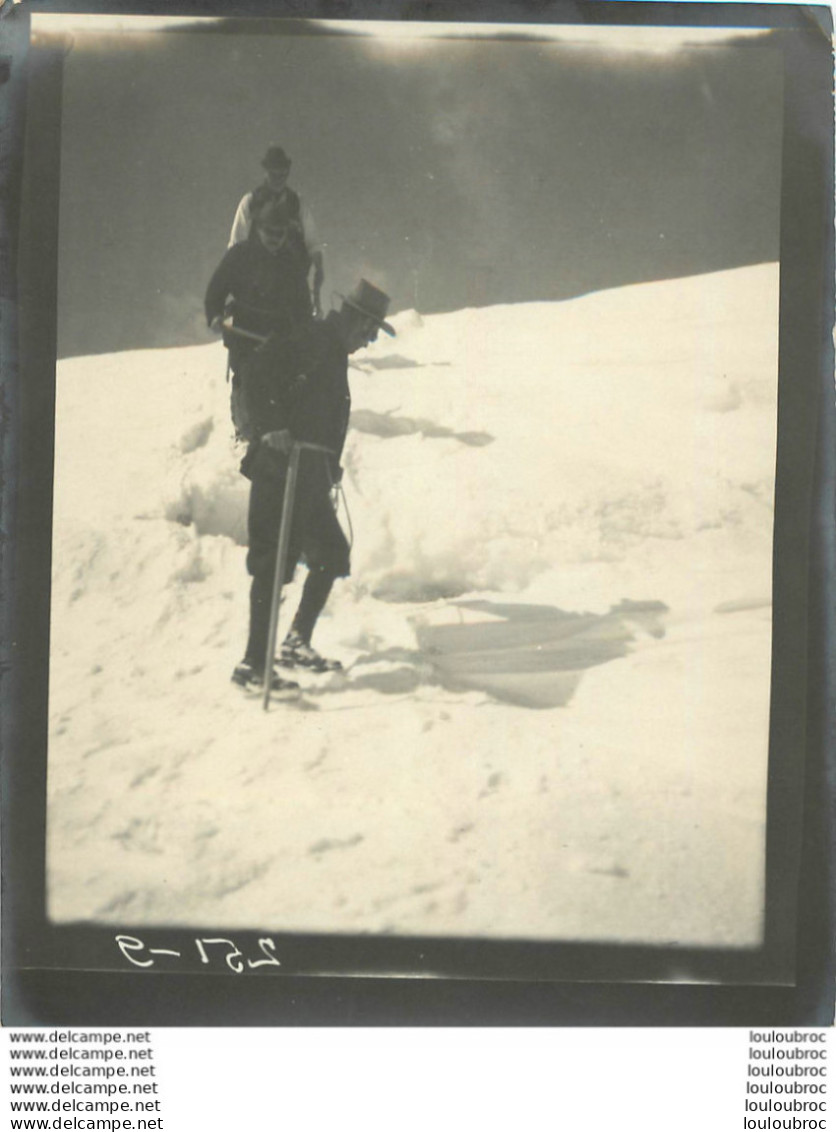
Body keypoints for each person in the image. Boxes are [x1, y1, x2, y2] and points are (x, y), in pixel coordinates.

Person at [231, 280, 396, 696]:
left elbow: (321, 414)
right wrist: (272, 427)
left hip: (309, 472)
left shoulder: (334, 352)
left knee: (332, 552)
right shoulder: (310, 336)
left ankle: (295, 643)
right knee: (273, 562)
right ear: (356, 317)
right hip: (281, 467)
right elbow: (256, 371)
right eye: (371, 328)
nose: (371, 338)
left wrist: (329, 466)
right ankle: (253, 666)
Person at [205, 196, 312, 441]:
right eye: (269, 232)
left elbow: (303, 308)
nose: (275, 239)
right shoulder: (239, 256)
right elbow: (216, 291)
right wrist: (214, 315)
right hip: (246, 340)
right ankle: (246, 433)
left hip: (279, 341)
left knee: (282, 394)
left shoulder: (291, 263)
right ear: (258, 229)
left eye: (281, 233)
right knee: (248, 389)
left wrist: (301, 334)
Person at [229, 144, 325, 318]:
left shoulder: (297, 203)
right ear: (265, 172)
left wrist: (319, 268)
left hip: (292, 283)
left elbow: (313, 243)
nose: (279, 178)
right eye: (274, 174)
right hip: (259, 283)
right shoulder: (250, 202)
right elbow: (236, 244)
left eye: (283, 174)